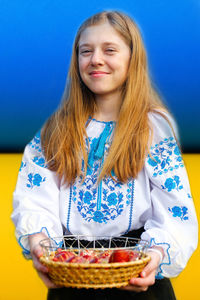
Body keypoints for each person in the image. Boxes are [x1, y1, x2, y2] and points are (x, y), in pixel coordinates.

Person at [11, 10, 198, 300]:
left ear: (132, 58)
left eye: (109, 49)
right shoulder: (55, 129)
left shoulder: (154, 128)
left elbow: (175, 212)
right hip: (71, 279)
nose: (95, 59)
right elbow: (34, 199)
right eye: (86, 51)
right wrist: (40, 244)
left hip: (139, 278)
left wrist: (155, 256)